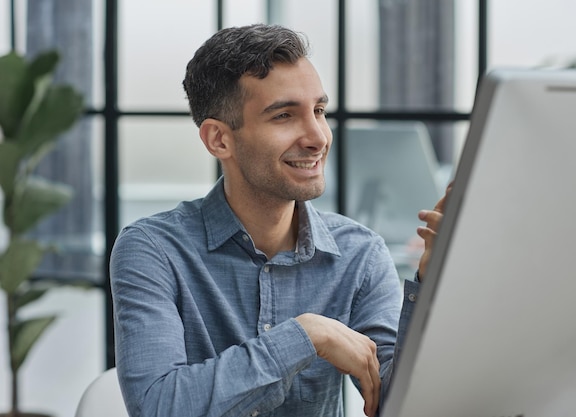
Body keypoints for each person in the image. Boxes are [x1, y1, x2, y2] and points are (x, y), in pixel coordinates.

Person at [110, 23, 449, 417]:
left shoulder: (360, 253)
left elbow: (396, 402)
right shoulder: (153, 250)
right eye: (284, 115)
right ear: (219, 139)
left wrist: (433, 285)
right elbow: (158, 407)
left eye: (319, 111)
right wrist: (304, 337)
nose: (318, 137)